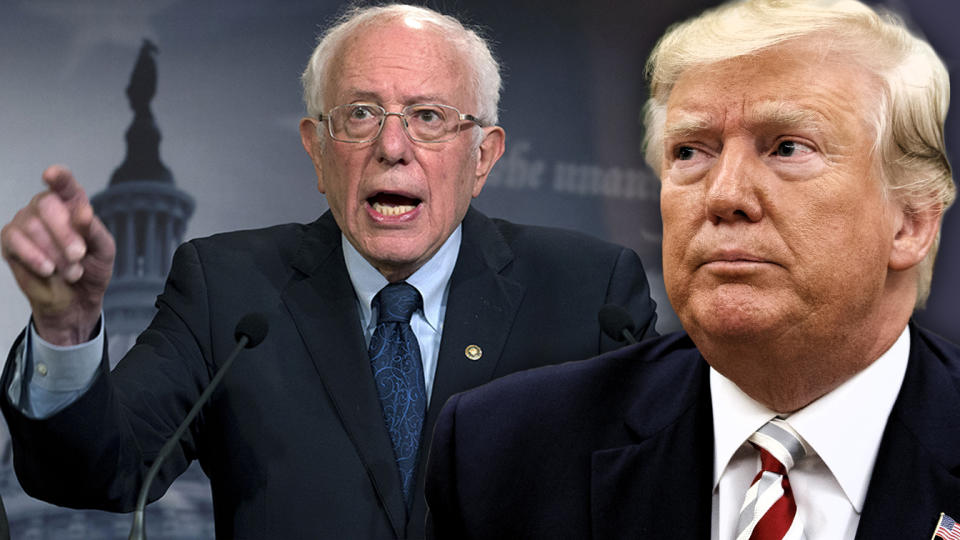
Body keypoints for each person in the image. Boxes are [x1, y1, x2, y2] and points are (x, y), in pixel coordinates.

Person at [0, 4, 658, 539]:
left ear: (482, 157)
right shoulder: (228, 290)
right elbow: (92, 475)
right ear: (318, 153)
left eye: (427, 117)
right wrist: (65, 327)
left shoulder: (586, 293)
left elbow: (652, 501)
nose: (391, 148)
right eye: (361, 114)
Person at [425, 0, 960, 538]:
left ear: (910, 223)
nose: (724, 194)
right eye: (690, 153)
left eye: (788, 148)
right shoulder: (503, 449)